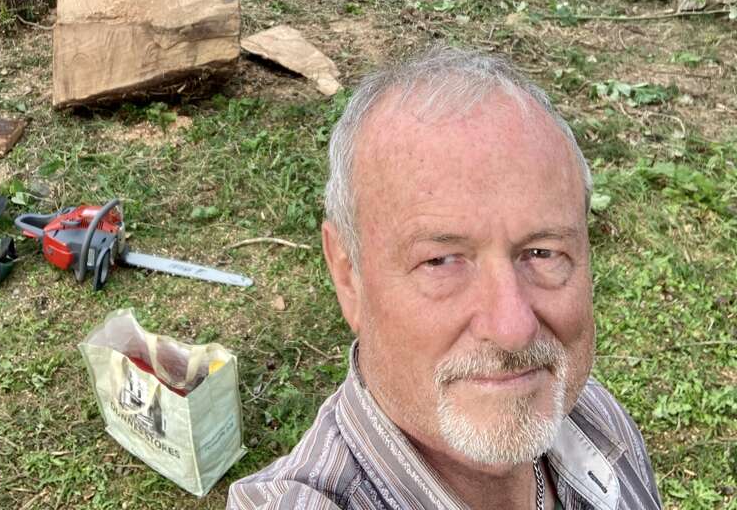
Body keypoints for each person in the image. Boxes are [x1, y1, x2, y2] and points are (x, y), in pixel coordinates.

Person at [227, 47, 662, 510]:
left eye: (542, 253)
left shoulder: (594, 418)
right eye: (441, 261)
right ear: (348, 275)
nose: (512, 329)